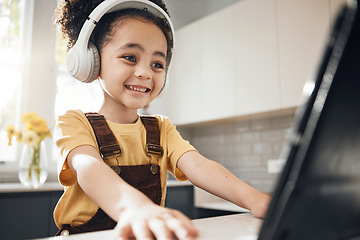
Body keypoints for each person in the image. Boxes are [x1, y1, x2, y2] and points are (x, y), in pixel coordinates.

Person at [53, 0, 271, 239]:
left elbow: (199, 166)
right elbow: (90, 169)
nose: (145, 72)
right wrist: (136, 208)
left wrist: (254, 199)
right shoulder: (74, 123)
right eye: (130, 57)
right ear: (92, 60)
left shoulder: (161, 129)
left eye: (157, 64)